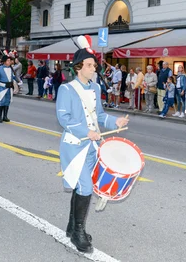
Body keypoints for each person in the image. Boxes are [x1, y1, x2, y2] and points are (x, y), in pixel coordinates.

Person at [56, 35, 129, 254]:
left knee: (82, 187)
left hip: (92, 147)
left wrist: (114, 121)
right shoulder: (66, 90)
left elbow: (99, 115)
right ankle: (79, 232)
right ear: (79, 67)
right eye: (89, 65)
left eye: (94, 65)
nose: (93, 68)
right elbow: (64, 119)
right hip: (74, 146)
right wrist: (85, 131)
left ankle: (71, 227)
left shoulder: (95, 89)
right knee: (86, 187)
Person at [0, 51, 22, 123]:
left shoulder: (11, 69)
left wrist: (19, 81)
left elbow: (13, 76)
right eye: (8, 60)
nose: (10, 62)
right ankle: (0, 117)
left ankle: (5, 116)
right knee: (2, 102)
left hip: (9, 88)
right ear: (4, 61)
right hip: (2, 88)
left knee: (7, 102)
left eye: (10, 60)